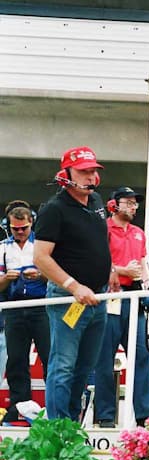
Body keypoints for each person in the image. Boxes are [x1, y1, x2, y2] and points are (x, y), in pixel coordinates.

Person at [33, 146, 115, 420]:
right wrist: (73, 286)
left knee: (84, 367)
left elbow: (96, 243)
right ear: (66, 173)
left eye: (93, 171)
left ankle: (71, 425)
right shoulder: (53, 209)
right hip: (69, 299)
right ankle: (57, 428)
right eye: (83, 171)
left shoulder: (96, 202)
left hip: (99, 298)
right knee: (63, 366)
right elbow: (40, 258)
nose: (90, 177)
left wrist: (110, 269)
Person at [93, 186, 149, 427]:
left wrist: (148, 285)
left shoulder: (139, 232)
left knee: (141, 357)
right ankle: (106, 416)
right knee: (104, 359)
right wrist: (121, 270)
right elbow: (97, 262)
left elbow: (142, 263)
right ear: (113, 204)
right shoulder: (103, 228)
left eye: (135, 203)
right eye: (128, 202)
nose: (133, 206)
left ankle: (144, 415)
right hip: (110, 297)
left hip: (133, 298)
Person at [0, 202, 49, 422]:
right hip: (14, 307)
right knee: (16, 359)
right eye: (15, 229)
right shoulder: (3, 248)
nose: (19, 233)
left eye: (24, 228)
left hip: (41, 306)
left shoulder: (41, 245)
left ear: (32, 223)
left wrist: (40, 275)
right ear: (8, 226)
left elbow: (57, 277)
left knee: (49, 356)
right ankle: (18, 406)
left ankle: (54, 406)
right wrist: (5, 279)